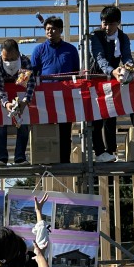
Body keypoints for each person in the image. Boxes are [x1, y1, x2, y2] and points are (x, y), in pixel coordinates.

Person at [31, 16, 80, 163]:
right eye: (47, 29)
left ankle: (64, 162)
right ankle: (46, 160)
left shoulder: (71, 50)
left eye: (53, 29)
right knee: (46, 130)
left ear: (60, 30)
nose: (50, 32)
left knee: (65, 131)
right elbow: (32, 73)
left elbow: (76, 72)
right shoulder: (39, 50)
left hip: (65, 96)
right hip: (45, 97)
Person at [90, 5, 134, 163]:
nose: (107, 27)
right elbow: (99, 57)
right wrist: (112, 71)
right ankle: (99, 152)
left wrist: (129, 67)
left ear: (118, 23)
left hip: (112, 80)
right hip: (96, 79)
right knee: (96, 117)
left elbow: (127, 56)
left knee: (111, 114)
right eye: (104, 23)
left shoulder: (123, 37)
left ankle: (111, 151)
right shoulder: (95, 36)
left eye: (111, 24)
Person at [0, 39, 36, 166]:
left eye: (12, 59)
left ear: (18, 53)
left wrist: (25, 101)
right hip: (4, 99)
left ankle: (20, 157)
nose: (9, 62)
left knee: (23, 124)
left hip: (21, 98)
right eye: (6, 59)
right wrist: (5, 103)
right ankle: (1, 157)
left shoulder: (25, 61)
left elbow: (30, 83)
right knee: (0, 125)